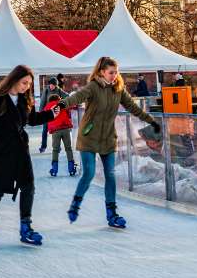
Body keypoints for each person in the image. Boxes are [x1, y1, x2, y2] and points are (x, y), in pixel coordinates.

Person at [56, 56, 161, 228]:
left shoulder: (118, 90)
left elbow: (133, 107)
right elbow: (77, 97)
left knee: (110, 175)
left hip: (107, 138)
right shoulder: (93, 87)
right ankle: (75, 204)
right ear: (102, 72)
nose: (114, 75)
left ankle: (112, 213)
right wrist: (61, 105)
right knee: (89, 173)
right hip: (89, 136)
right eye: (111, 72)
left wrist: (151, 121)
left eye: (116, 72)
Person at [0, 65, 58, 248]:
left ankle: (25, 227)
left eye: (29, 84)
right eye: (24, 82)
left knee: (28, 186)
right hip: (1, 151)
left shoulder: (24, 100)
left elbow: (32, 119)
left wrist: (51, 114)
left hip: (20, 149)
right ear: (14, 80)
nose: (27, 87)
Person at [44, 93, 75, 177]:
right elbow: (72, 106)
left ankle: (54, 170)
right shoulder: (62, 103)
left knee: (55, 150)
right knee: (68, 149)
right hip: (65, 129)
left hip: (55, 131)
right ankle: (71, 169)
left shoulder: (47, 107)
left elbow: (44, 117)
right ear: (58, 98)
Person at [38, 77, 64, 153]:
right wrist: (40, 113)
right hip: (46, 113)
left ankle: (57, 147)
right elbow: (42, 102)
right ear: (49, 84)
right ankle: (43, 146)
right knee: (45, 130)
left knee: (56, 131)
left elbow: (66, 95)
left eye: (54, 85)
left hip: (55, 114)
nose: (52, 86)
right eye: (51, 85)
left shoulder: (58, 90)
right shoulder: (46, 90)